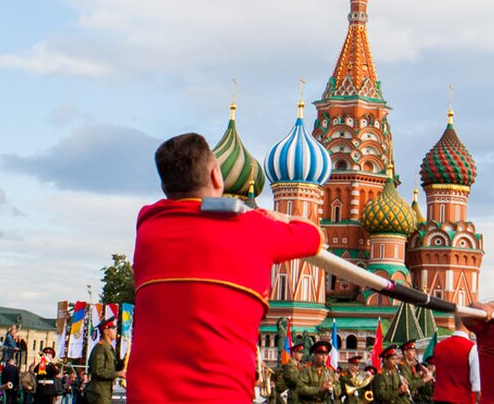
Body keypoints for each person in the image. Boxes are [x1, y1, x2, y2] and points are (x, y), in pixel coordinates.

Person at [127, 133, 324, 403]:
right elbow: (313, 236)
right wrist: (275, 216)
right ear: (217, 177)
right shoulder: (254, 230)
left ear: (165, 187)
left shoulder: (148, 225)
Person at [432, 316, 480, 404]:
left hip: (439, 399)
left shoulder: (438, 347)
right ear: (469, 324)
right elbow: (477, 386)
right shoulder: (472, 348)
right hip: (462, 399)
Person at [85, 318, 125, 404]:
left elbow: (113, 367)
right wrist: (118, 373)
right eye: (113, 329)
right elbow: (98, 371)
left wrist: (124, 361)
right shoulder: (100, 348)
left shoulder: (109, 348)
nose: (115, 331)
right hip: (98, 392)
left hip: (104, 391)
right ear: (106, 331)